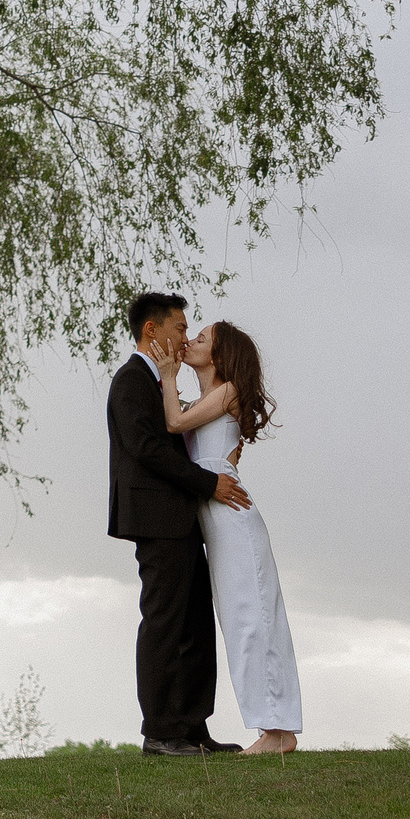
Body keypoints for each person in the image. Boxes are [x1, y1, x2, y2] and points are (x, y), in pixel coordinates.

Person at [106, 292, 248, 756]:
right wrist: (210, 483)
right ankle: (161, 732)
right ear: (153, 330)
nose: (186, 337)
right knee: (166, 623)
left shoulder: (160, 384)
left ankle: (192, 728)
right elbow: (147, 451)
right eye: (181, 328)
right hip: (156, 520)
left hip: (183, 519)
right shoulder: (130, 381)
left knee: (196, 624)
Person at [156, 320, 302, 754]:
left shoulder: (229, 390)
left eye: (201, 339)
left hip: (233, 518)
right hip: (216, 521)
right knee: (240, 623)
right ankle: (269, 728)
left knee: (254, 618)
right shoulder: (209, 398)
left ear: (220, 356)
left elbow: (174, 423)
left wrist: (166, 375)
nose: (191, 341)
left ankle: (278, 730)